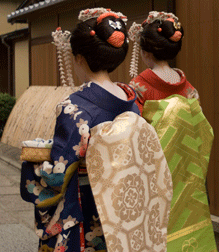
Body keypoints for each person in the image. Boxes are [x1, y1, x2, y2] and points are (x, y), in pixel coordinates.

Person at [19, 8, 171, 252]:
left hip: (87, 204)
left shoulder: (74, 108)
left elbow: (59, 174)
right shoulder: (131, 99)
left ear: (79, 58)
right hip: (121, 205)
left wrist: (32, 164)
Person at [128, 11, 217, 252]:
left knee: (156, 235)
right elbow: (202, 131)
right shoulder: (188, 88)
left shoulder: (139, 87)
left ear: (145, 53)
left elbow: (134, 134)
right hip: (188, 172)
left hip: (155, 176)